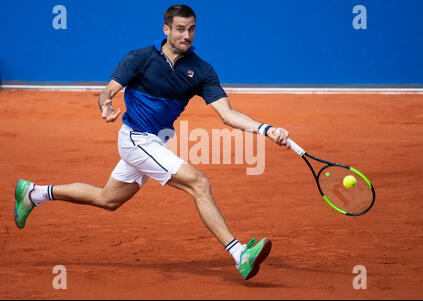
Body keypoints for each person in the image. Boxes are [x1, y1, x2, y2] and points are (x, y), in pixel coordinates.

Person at [14, 4, 290, 281]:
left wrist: (267, 129)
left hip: (155, 144)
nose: (186, 35)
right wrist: (106, 104)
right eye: (180, 29)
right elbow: (108, 91)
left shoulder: (201, 70)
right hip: (135, 139)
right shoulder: (140, 58)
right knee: (199, 184)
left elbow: (228, 115)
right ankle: (239, 253)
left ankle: (34, 193)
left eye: (191, 29)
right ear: (166, 29)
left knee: (107, 199)